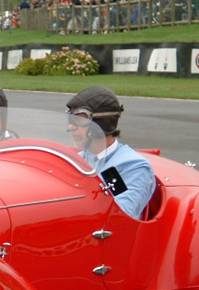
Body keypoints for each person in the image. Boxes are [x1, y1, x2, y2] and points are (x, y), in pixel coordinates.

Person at [65, 86, 155, 219]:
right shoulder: (75, 161)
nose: (71, 126)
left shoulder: (132, 166)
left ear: (100, 124)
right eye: (70, 119)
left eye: (79, 119)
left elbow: (119, 217)